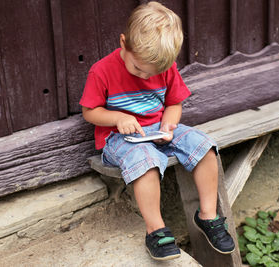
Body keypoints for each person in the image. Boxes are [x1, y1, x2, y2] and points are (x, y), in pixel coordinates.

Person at [79, 1, 235, 261]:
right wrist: (117, 117)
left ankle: (208, 216)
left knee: (204, 145)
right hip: (120, 139)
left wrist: (169, 125)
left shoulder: (166, 67)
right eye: (138, 68)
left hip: (158, 130)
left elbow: (174, 103)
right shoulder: (102, 71)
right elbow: (89, 112)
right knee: (146, 160)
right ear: (123, 43)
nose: (143, 75)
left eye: (151, 72)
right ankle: (156, 230)